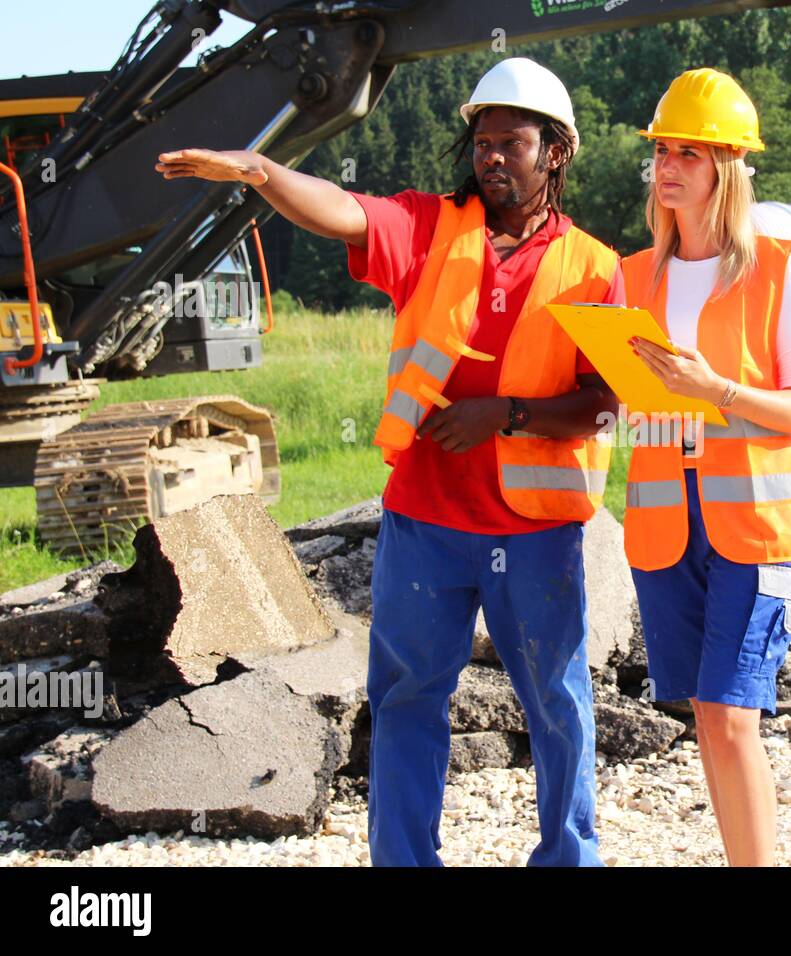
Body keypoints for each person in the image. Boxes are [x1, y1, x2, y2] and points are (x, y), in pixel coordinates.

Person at [155, 57, 622, 867]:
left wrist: (503, 415)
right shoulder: (428, 227)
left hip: (537, 531)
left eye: (512, 143)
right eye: (482, 142)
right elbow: (342, 211)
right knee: (407, 699)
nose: (491, 157)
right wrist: (263, 172)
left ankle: (569, 858)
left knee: (557, 704)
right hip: (425, 524)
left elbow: (605, 402)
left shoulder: (595, 268)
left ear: (556, 153)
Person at [620, 67, 791, 867]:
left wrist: (718, 390)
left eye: (693, 153)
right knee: (707, 715)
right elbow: (632, 402)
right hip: (668, 525)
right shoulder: (635, 276)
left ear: (730, 168)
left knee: (734, 714)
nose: (670, 165)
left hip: (754, 527)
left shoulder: (780, 269)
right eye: (664, 150)